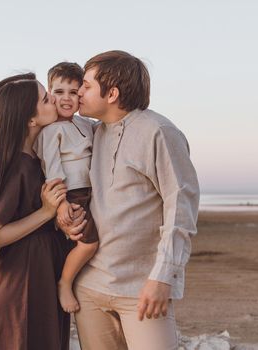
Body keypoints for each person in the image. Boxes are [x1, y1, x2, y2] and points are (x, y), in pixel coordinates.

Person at [59, 50, 200, 350]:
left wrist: (163, 277)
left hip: (142, 288)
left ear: (111, 93)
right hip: (90, 287)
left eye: (85, 85)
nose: (78, 92)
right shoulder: (92, 133)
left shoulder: (159, 132)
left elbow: (181, 206)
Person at [0, 73, 76, 350]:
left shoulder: (36, 159)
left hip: (42, 267)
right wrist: (47, 211)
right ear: (30, 119)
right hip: (23, 275)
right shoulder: (16, 166)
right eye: (46, 98)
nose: (55, 100)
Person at [33, 62, 99, 313]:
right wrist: (60, 204)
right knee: (88, 243)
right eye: (59, 92)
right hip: (71, 195)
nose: (66, 98)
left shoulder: (84, 124)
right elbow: (52, 169)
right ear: (49, 92)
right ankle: (65, 283)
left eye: (73, 92)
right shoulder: (51, 131)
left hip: (90, 192)